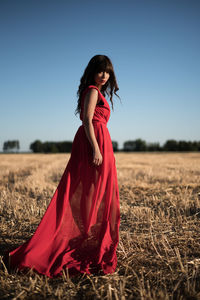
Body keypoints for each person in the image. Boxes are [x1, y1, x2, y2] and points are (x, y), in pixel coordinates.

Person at [5, 54, 121, 278]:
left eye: (107, 72)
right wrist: (96, 148)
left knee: (94, 190)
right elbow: (87, 120)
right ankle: (85, 234)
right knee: (93, 190)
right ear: (93, 72)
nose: (104, 75)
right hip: (93, 141)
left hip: (96, 140)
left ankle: (86, 233)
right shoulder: (93, 91)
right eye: (100, 71)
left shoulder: (95, 91)